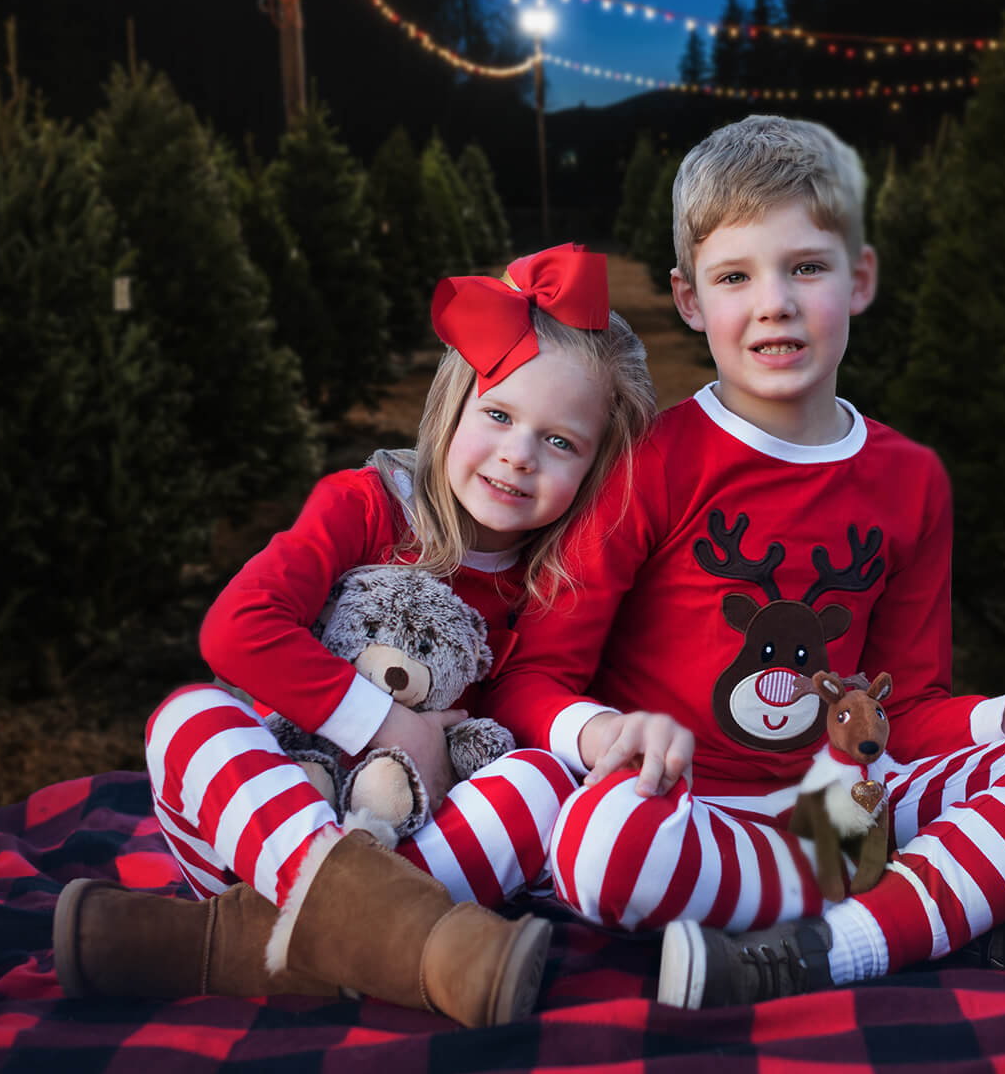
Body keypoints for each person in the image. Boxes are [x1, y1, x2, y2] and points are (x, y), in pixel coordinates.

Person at [481, 118, 1005, 1010]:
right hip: (688, 817)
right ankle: (953, 909)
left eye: (806, 267)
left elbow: (903, 713)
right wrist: (603, 737)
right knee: (601, 846)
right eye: (736, 276)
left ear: (860, 277)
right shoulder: (649, 460)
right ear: (689, 299)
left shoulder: (910, 479)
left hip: (845, 810)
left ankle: (823, 946)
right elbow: (533, 676)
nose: (776, 304)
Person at [53, 244, 658, 1026]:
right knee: (189, 717)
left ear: (596, 466)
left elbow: (521, 706)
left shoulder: (553, 580)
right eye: (499, 415)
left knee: (544, 781)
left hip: (413, 839)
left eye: (560, 441)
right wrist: (394, 724)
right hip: (263, 828)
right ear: (453, 405)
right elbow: (236, 628)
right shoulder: (366, 503)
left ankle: (232, 945)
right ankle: (418, 946)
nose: (517, 454)